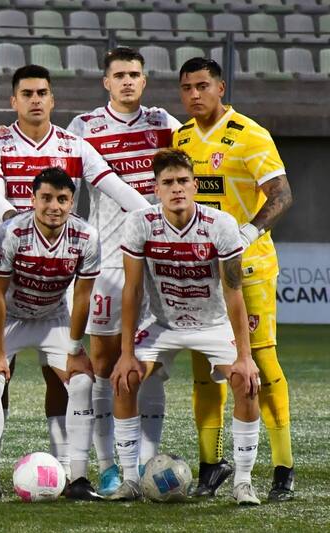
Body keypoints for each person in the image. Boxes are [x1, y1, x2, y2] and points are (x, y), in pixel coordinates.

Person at [0, 63, 151, 493]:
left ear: (53, 100)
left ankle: (71, 470)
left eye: (43, 93)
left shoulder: (74, 144)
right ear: (13, 100)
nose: (35, 100)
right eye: (27, 93)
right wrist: (23, 224)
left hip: (56, 295)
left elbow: (113, 185)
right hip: (10, 286)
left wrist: (152, 214)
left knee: (72, 377)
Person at [108, 148, 262, 505]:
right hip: (161, 323)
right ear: (155, 189)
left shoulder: (220, 224)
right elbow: (130, 291)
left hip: (212, 322)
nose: (176, 188)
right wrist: (126, 353)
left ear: (195, 185)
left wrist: (244, 356)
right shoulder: (140, 223)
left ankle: (243, 481)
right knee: (124, 378)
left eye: (182, 181)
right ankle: (131, 479)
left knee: (247, 382)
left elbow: (234, 292)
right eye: (168, 183)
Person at [173, 57, 295, 501]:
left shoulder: (250, 134)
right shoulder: (181, 137)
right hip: (200, 273)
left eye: (202, 85)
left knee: (259, 365)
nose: (194, 95)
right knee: (205, 368)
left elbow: (282, 194)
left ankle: (283, 467)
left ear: (220, 87)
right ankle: (212, 464)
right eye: (186, 88)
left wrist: (248, 231)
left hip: (250, 270)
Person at [66, 47, 182, 495]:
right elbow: (72, 190)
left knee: (149, 363)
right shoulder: (85, 126)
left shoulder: (165, 125)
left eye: (135, 74)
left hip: (156, 259)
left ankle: (146, 459)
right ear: (106, 82)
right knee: (102, 361)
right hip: (108, 259)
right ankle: (108, 464)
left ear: (145, 79)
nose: (128, 81)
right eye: (120, 75)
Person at [0, 167, 101, 502]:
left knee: (83, 381)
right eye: (46, 198)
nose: (54, 206)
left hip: (53, 318)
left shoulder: (86, 236)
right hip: (9, 319)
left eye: (62, 199)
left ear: (72, 202)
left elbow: (84, 295)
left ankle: (78, 478)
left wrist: (75, 348)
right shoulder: (11, 231)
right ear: (32, 199)